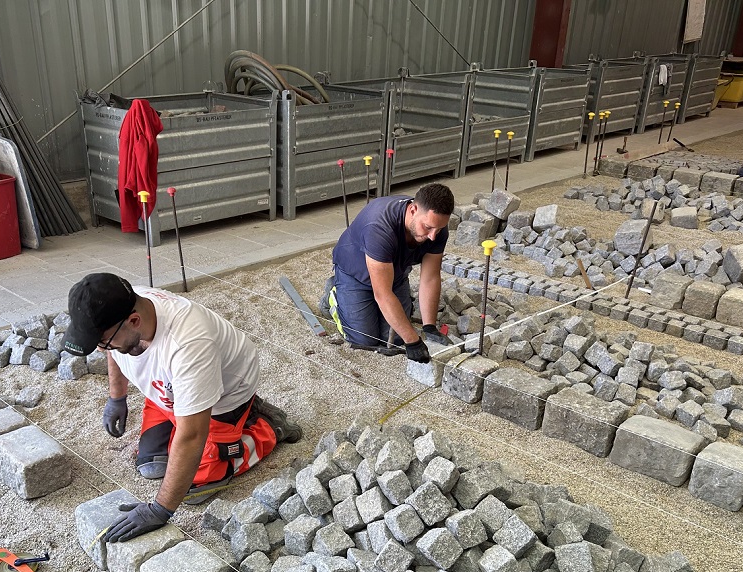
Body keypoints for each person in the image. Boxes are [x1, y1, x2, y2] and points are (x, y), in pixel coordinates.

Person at [63, 273, 302, 542]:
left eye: (103, 342)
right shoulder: (124, 305)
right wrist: (116, 398)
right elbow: (113, 350)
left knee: (195, 487)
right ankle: (195, 417)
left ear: (134, 321)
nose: (101, 349)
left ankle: (267, 427)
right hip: (171, 391)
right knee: (151, 467)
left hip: (222, 398)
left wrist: (160, 510)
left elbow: (191, 435)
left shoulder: (189, 344)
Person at [322, 183, 455, 363]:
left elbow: (430, 278)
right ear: (413, 210)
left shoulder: (436, 227)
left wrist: (429, 326)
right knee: (364, 340)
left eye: (438, 229)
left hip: (394, 276)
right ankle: (334, 294)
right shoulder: (380, 226)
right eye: (427, 227)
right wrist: (413, 342)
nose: (433, 236)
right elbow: (382, 294)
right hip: (355, 275)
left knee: (395, 339)